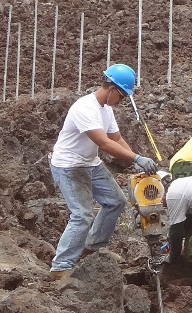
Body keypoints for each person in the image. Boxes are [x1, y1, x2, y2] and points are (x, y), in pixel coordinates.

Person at [48, 63, 157, 280]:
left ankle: (95, 245)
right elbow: (104, 143)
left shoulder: (106, 109)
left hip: (90, 162)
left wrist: (134, 158)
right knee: (81, 215)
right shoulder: (85, 108)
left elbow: (116, 138)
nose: (122, 101)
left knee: (116, 201)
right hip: (69, 165)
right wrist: (135, 157)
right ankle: (61, 266)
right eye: (122, 96)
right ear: (113, 90)